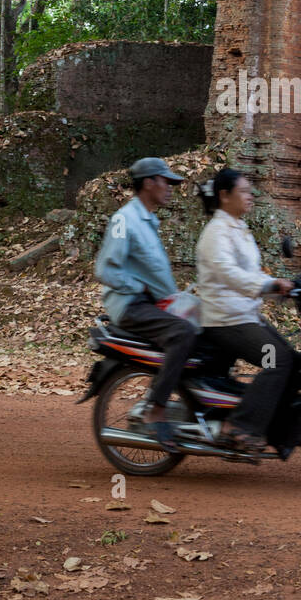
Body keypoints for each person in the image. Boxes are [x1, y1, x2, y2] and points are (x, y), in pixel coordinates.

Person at [94, 157, 197, 453]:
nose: (170, 189)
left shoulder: (149, 220)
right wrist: (138, 287)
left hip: (150, 302)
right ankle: (156, 408)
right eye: (165, 182)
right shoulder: (124, 220)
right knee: (182, 334)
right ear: (149, 183)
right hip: (130, 305)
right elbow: (104, 270)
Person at [196, 168, 297, 454]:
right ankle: (239, 427)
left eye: (250, 191)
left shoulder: (239, 228)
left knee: (293, 360)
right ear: (224, 195)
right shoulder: (216, 233)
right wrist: (267, 285)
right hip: (225, 320)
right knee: (277, 360)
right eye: (243, 191)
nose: (249, 196)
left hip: (245, 315)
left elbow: (251, 273)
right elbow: (230, 275)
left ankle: (271, 426)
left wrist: (278, 287)